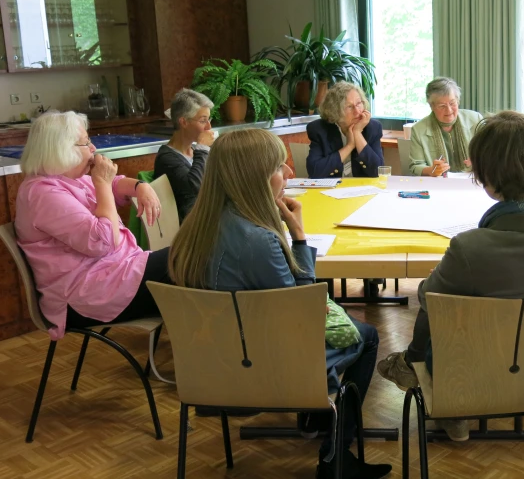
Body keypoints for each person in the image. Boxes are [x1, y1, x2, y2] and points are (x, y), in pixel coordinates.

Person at [168, 128, 391, 479]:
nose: (289, 172)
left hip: (210, 366)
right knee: (368, 336)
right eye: (278, 166)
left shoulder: (195, 228)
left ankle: (315, 416)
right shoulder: (258, 240)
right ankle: (335, 456)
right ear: (253, 177)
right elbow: (302, 314)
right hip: (264, 364)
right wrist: (299, 236)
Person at [377, 110, 524, 440]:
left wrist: (440, 275)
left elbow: (427, 299)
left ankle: (454, 404)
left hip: (474, 373)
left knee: (441, 309)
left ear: (488, 178)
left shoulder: (470, 248)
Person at [15, 111, 168, 340]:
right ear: (61, 149)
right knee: (188, 261)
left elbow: (115, 184)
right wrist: (102, 183)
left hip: (115, 274)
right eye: (86, 142)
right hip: (85, 297)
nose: (93, 148)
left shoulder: (70, 178)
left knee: (193, 262)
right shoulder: (41, 193)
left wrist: (139, 186)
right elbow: (102, 242)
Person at [153, 88, 215, 222]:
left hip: (210, 221)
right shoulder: (166, 159)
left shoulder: (196, 152)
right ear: (184, 122)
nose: (208, 127)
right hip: (190, 231)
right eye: (203, 120)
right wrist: (203, 147)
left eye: (209, 119)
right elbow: (194, 187)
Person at [407, 77, 483, 176]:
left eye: (452, 103)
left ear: (458, 101)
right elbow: (415, 165)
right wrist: (431, 170)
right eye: (442, 106)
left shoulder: (475, 119)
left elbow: (491, 152)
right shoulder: (419, 130)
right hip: (438, 184)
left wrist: (479, 160)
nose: (449, 110)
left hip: (473, 180)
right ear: (432, 106)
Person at [306, 81, 384, 178]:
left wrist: (357, 133)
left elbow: (378, 171)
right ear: (335, 111)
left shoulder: (372, 128)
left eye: (359, 103)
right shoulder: (319, 129)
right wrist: (350, 146)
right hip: (331, 190)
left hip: (362, 189)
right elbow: (314, 172)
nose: (357, 111)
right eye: (349, 107)